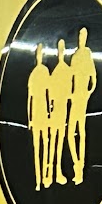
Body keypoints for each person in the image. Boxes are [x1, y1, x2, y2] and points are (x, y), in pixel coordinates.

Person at [66, 25, 97, 186]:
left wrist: (88, 93)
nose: (81, 39)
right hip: (75, 97)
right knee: (70, 133)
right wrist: (70, 93)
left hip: (82, 98)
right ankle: (76, 164)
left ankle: (81, 169)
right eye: (80, 36)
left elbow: (94, 78)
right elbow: (70, 78)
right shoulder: (75, 56)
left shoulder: (87, 54)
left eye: (83, 36)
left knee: (81, 131)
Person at [45, 37, 71, 189]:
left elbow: (70, 92)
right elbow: (49, 94)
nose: (61, 53)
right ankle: (49, 173)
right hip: (55, 111)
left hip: (62, 111)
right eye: (59, 50)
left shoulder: (66, 71)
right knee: (52, 141)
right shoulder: (54, 72)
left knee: (59, 142)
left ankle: (57, 171)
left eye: (62, 50)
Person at [26, 44, 51, 190]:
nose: (39, 56)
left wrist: (49, 113)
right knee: (37, 149)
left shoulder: (45, 72)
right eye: (38, 54)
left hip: (43, 114)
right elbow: (29, 98)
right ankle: (38, 180)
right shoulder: (33, 75)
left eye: (41, 54)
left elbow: (48, 94)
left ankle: (46, 176)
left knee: (46, 145)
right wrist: (29, 119)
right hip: (36, 115)